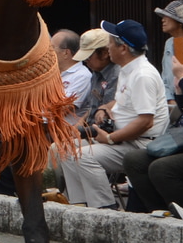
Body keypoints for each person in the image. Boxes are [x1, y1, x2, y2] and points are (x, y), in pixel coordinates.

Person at [58, 20, 169, 209]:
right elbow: (122, 102)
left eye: (111, 43)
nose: (108, 48)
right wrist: (105, 108)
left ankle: (105, 208)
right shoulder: (128, 70)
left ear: (123, 48)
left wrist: (109, 138)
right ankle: (80, 205)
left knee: (83, 156)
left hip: (140, 143)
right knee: (67, 149)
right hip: (124, 138)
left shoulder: (142, 75)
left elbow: (145, 121)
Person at [153, 0, 183, 104]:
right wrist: (170, 99)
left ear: (180, 22)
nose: (163, 20)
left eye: (167, 17)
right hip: (173, 103)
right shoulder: (171, 42)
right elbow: (167, 77)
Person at [52, 30, 90, 125]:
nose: (47, 52)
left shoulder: (82, 75)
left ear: (66, 52)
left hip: (66, 134)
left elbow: (62, 109)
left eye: (52, 48)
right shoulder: (52, 73)